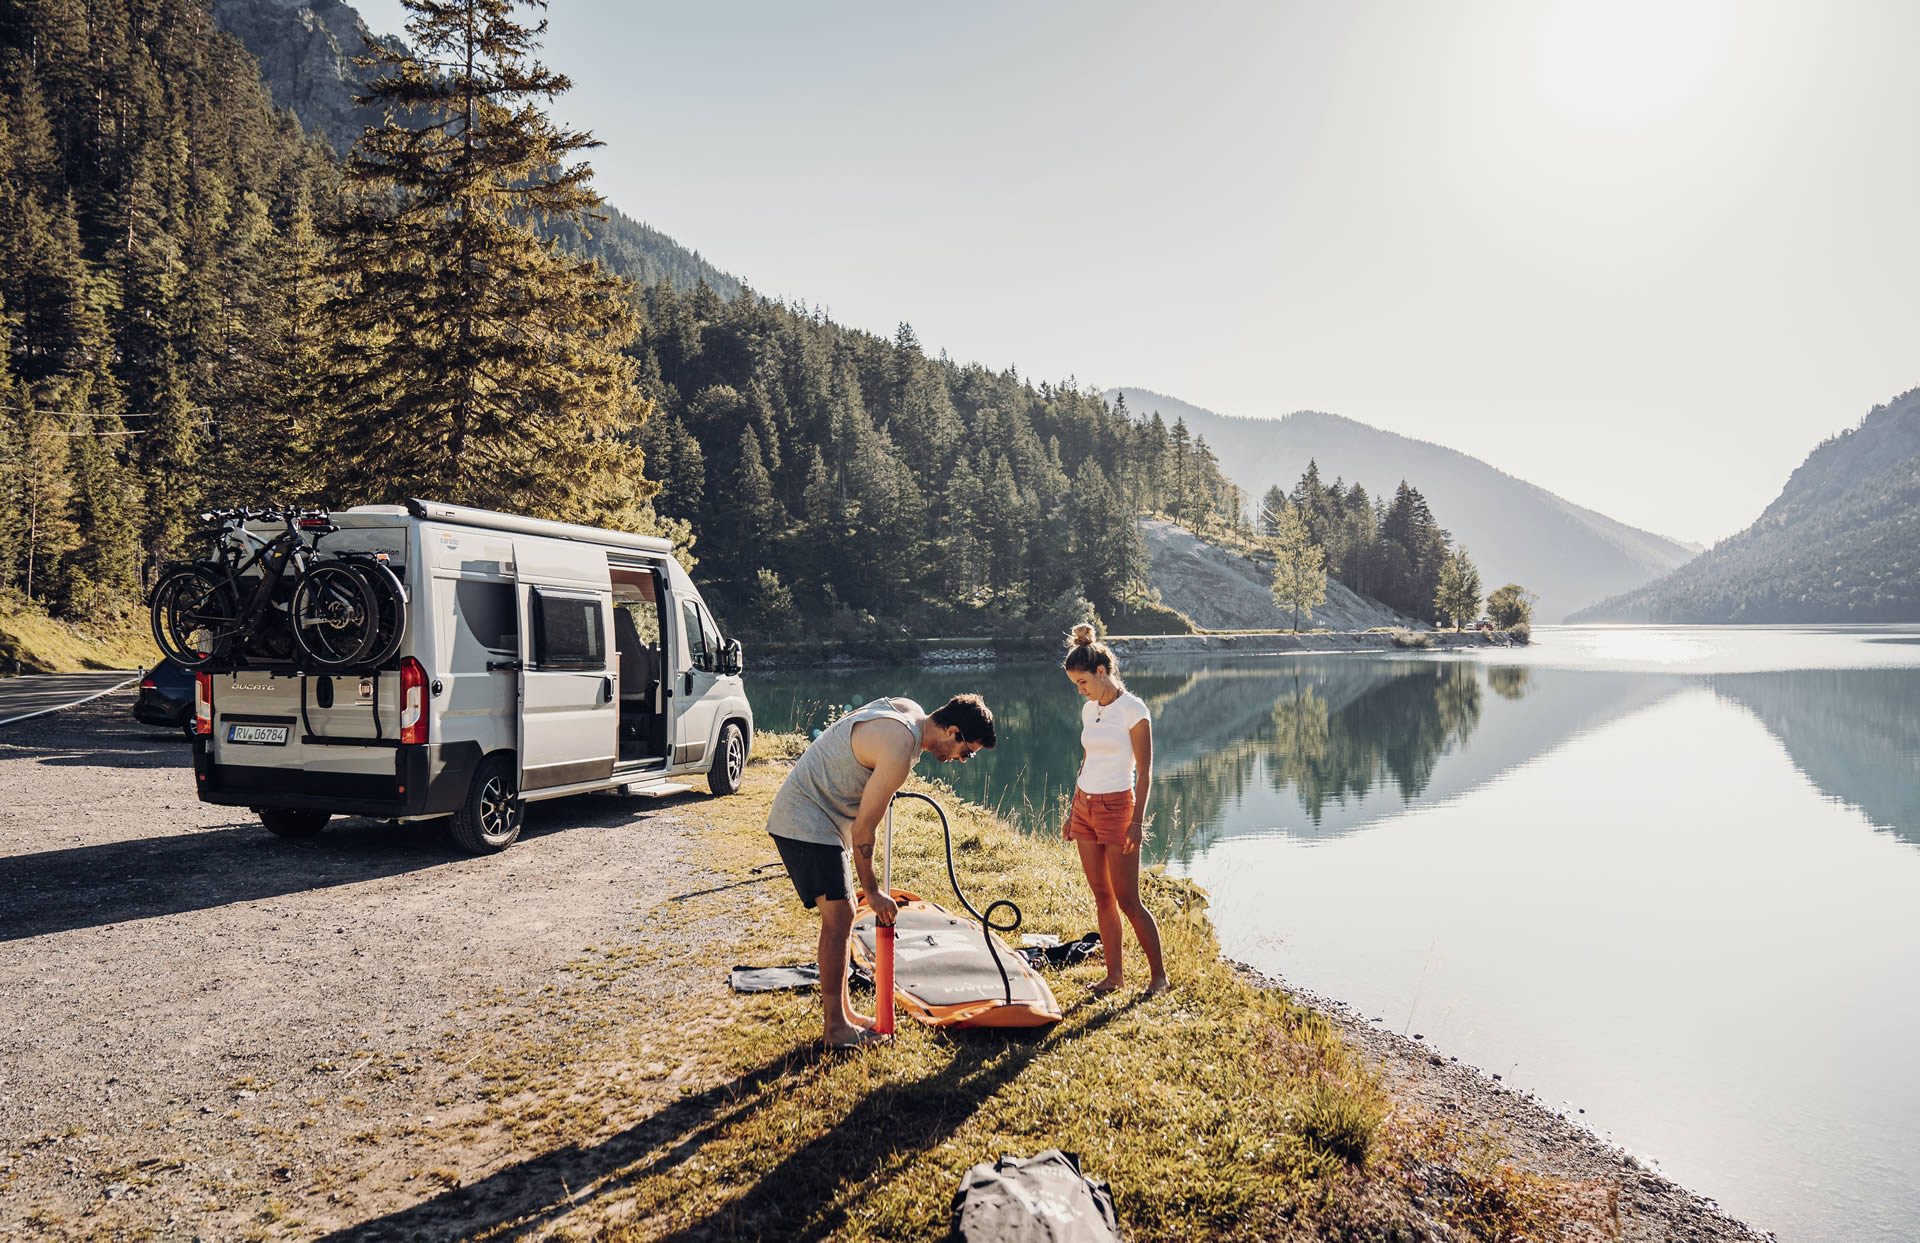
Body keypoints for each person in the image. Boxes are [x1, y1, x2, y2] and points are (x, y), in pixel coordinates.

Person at [766, 693, 997, 1048]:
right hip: (806, 818)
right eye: (966, 752)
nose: (960, 761)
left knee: (839, 918)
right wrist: (871, 891)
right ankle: (834, 1029)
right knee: (840, 917)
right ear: (952, 731)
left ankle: (842, 1015)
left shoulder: (907, 710)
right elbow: (863, 830)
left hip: (816, 815)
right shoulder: (900, 750)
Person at [1062, 625, 1169, 997]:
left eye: (1083, 682)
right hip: (1085, 806)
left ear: (1102, 672)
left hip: (1118, 808)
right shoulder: (1089, 710)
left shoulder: (1134, 710)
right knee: (1101, 896)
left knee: (1128, 900)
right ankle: (1114, 976)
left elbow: (1145, 771)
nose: (1081, 689)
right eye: (1076, 684)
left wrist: (1137, 821)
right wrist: (1071, 811)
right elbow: (1087, 759)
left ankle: (1159, 977)